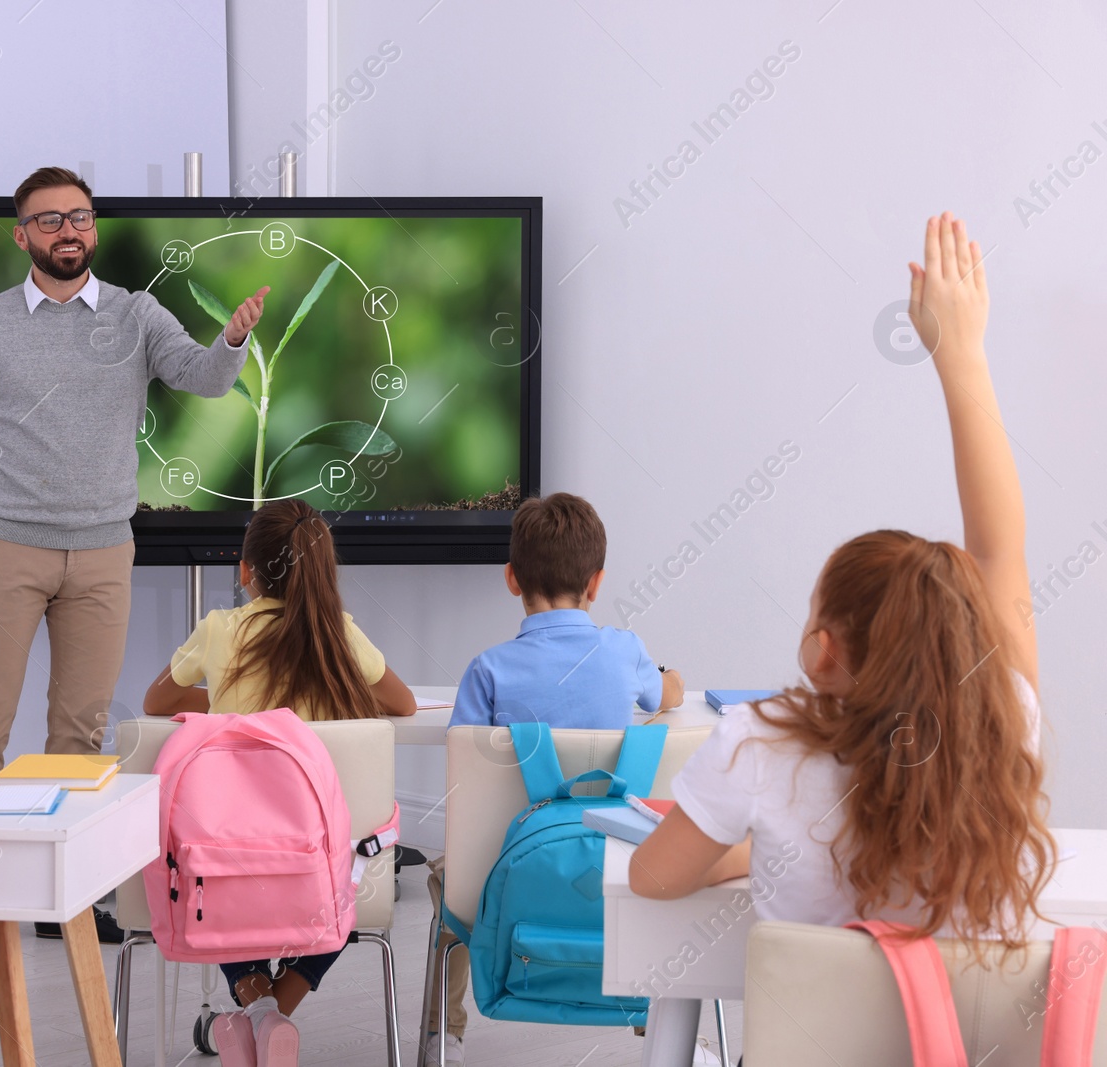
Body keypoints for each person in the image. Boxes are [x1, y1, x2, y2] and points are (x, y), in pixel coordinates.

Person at [631, 213, 1055, 960]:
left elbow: (653, 878)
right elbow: (1001, 547)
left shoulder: (754, 749)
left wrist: (745, 843)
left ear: (824, 650)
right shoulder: (1005, 718)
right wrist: (962, 353)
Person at [0, 165, 267, 953]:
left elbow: (203, 379)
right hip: (5, 544)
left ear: (93, 228)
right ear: (23, 235)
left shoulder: (137, 315)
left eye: (79, 216)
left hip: (104, 548)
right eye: (49, 220)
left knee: (80, 731)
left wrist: (232, 338)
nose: (68, 231)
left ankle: (61, 896)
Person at [142, 499, 415, 1067]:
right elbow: (404, 702)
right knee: (350, 880)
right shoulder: (339, 634)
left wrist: (224, 695)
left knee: (208, 870)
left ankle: (255, 1006)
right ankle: (274, 1012)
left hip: (232, 868)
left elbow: (157, 700)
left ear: (245, 571)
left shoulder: (220, 629)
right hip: (323, 872)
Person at [421, 491, 683, 1066]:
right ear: (597, 582)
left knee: (453, 889)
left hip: (501, 874)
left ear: (512, 579)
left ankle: (447, 1037)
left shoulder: (487, 670)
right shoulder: (625, 652)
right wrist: (669, 679)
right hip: (621, 867)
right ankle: (661, 1034)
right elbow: (668, 695)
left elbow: (464, 761)